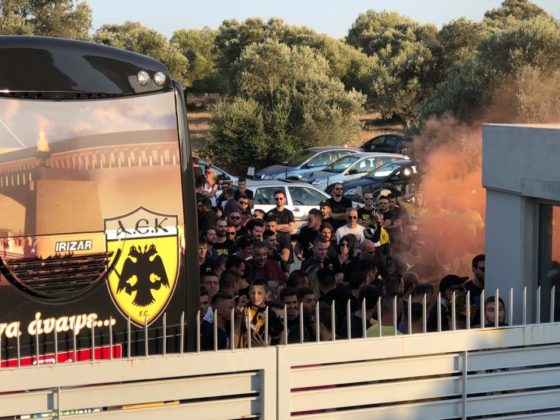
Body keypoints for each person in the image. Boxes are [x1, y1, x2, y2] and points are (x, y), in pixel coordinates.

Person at [236, 279, 283, 348]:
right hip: (242, 348)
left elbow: (278, 336)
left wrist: (267, 347)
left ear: (267, 294)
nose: (255, 296)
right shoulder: (244, 307)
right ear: (249, 293)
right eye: (252, 293)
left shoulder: (270, 313)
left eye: (259, 293)